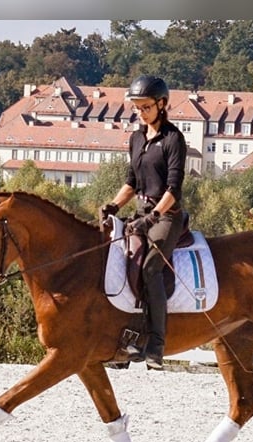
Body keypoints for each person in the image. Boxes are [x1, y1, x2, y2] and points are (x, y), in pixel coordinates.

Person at [101, 75, 187, 370]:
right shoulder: (137, 138)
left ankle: (156, 345)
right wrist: (113, 205)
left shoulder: (174, 139)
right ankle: (127, 339)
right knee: (120, 261)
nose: (141, 112)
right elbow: (131, 182)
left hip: (167, 216)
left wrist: (153, 217)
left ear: (162, 104)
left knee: (150, 268)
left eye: (146, 106)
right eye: (136, 107)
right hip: (140, 213)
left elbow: (173, 190)